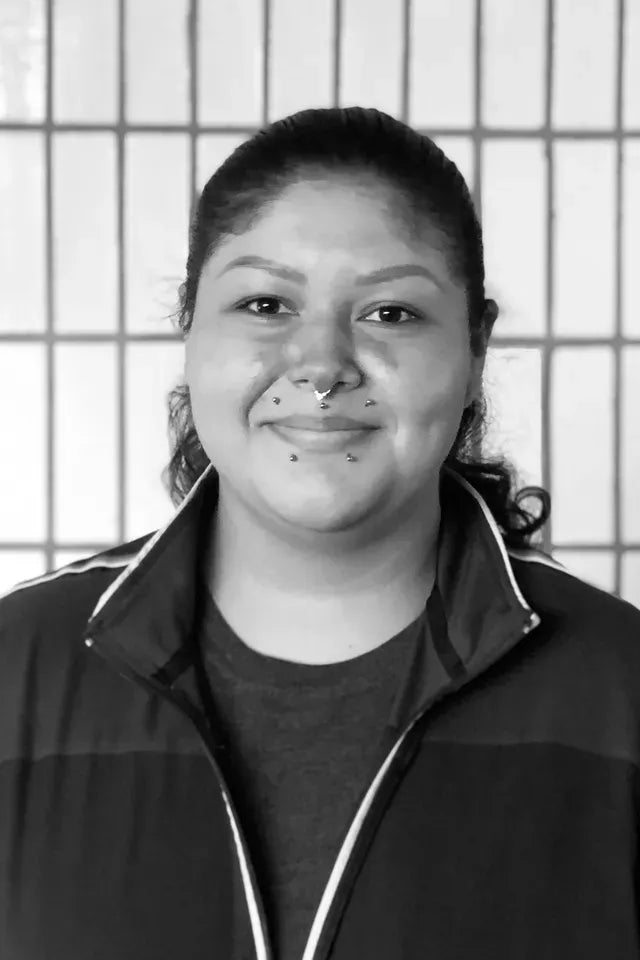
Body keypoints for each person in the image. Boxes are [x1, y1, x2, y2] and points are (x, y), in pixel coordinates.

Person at [1, 106, 639, 960]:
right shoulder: (15, 670)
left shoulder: (622, 691)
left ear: (475, 349)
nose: (323, 366)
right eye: (265, 304)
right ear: (189, 330)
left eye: (391, 313)